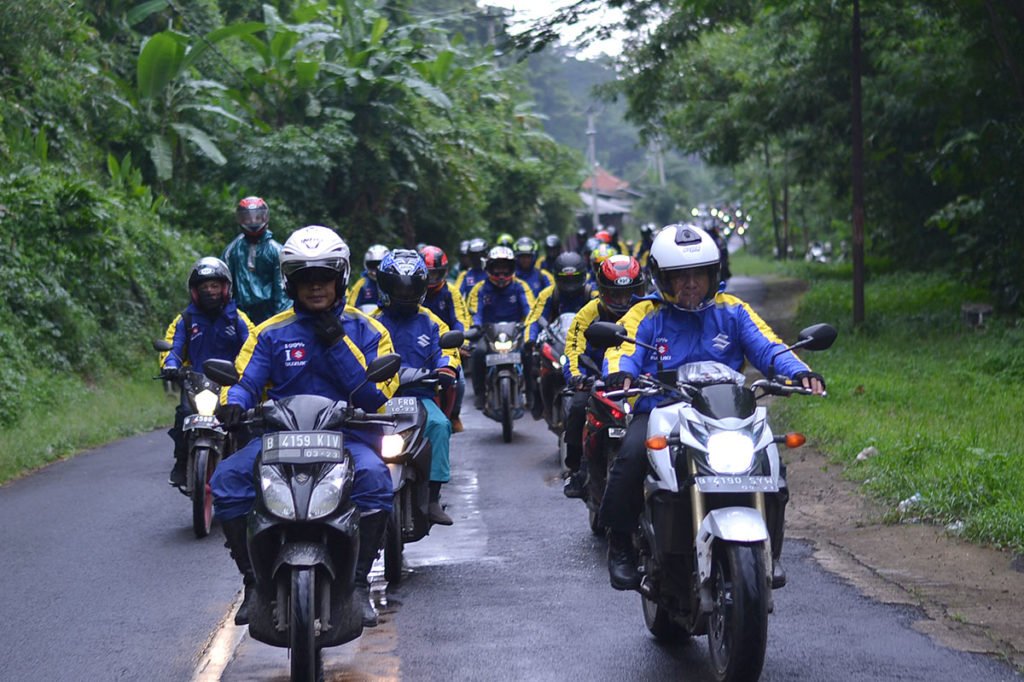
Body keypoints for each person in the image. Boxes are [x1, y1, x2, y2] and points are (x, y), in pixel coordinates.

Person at [598, 224, 826, 591]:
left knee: (770, 461)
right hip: (662, 407)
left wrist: (800, 372)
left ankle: (771, 549)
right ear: (661, 278)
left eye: (699, 275)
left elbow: (769, 347)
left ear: (713, 274)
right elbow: (621, 350)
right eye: (680, 277)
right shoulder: (646, 314)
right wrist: (620, 375)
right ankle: (621, 545)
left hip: (726, 411)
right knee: (629, 456)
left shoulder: (732, 311)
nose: (691, 284)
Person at [210, 225, 399, 628]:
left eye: (323, 278)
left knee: (377, 480)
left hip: (347, 439)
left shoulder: (368, 330)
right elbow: (245, 381)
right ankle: (252, 581)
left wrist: (335, 340)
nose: (315, 287)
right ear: (290, 283)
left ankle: (360, 582)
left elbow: (375, 396)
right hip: (279, 439)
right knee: (227, 478)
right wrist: (233, 405)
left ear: (340, 279)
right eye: (304, 279)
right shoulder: (270, 332)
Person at [373, 249, 460, 525]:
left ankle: (432, 499)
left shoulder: (430, 321)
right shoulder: (371, 322)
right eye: (398, 286)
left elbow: (448, 349)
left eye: (411, 287)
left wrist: (447, 367)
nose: (405, 293)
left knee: (440, 425)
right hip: (379, 400)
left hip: (420, 397)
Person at [160, 257, 254, 486]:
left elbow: (253, 346)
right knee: (182, 415)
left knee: (246, 424)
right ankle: (181, 462)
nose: (210, 291)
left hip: (230, 383)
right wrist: (170, 366)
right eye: (204, 287)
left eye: (214, 286)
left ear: (225, 288)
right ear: (195, 291)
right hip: (196, 381)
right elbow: (172, 346)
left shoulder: (238, 318)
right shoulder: (186, 319)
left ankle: (248, 471)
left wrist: (248, 373)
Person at [560, 254, 645, 498]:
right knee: (577, 407)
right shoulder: (587, 314)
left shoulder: (648, 311)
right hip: (596, 381)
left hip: (639, 384)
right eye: (615, 294)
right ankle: (577, 469)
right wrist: (576, 377)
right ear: (602, 291)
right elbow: (573, 349)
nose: (622, 300)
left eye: (629, 293)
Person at [522, 251, 592, 422]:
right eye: (565, 279)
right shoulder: (548, 294)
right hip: (556, 341)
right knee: (532, 360)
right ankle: (536, 399)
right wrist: (530, 339)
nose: (570, 284)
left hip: (586, 343)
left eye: (574, 278)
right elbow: (535, 318)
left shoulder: (592, 293)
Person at [466, 245, 535, 409]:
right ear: (489, 268)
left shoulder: (520, 286)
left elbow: (530, 310)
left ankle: (531, 394)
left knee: (529, 354)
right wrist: (476, 326)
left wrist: (528, 326)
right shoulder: (480, 289)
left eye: (506, 268)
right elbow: (475, 312)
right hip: (488, 333)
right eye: (497, 269)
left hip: (516, 333)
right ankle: (480, 394)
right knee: (478, 353)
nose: (502, 274)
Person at [420, 245, 471, 433]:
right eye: (428, 274)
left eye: (436, 274)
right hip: (420, 343)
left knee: (461, 382)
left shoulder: (452, 292)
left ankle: (454, 415)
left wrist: (461, 341)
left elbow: (460, 318)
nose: (432, 279)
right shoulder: (416, 291)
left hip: (447, 346)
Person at [221, 196, 291, 324]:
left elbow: (282, 289)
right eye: (248, 218)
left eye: (257, 217)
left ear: (265, 217)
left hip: (270, 316)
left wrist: (280, 320)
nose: (253, 222)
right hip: (240, 318)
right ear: (241, 219)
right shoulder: (232, 251)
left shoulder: (276, 251)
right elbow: (225, 285)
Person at [347, 244, 390, 310]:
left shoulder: (392, 283)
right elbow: (350, 307)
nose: (375, 272)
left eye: (379, 266)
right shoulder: (362, 284)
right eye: (372, 266)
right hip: (365, 319)